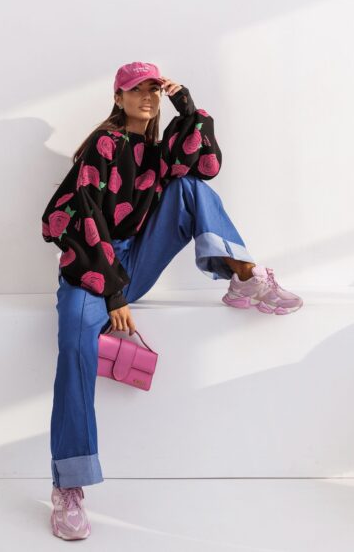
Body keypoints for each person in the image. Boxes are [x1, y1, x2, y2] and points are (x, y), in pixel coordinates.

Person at [41, 61, 303, 540]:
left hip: (134, 262)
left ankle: (244, 277)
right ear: (118, 97)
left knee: (187, 186)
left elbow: (205, 167)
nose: (147, 97)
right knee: (75, 346)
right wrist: (113, 292)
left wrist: (187, 105)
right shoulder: (104, 143)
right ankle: (69, 487)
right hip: (89, 266)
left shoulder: (158, 151)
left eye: (154, 90)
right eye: (136, 90)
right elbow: (82, 219)